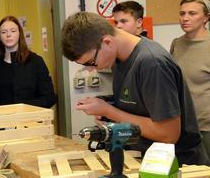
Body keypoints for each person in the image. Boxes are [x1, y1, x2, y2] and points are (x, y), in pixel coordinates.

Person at [61, 11, 208, 166]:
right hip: (150, 160)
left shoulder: (152, 64)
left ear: (108, 42)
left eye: (91, 62)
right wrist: (106, 103)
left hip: (180, 168)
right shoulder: (119, 57)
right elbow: (138, 100)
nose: (90, 70)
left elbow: (168, 134)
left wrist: (108, 111)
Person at [170, 0, 210, 158]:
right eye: (182, 13)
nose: (185, 18)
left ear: (206, 18)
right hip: (182, 126)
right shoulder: (177, 44)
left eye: (192, 13)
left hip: (206, 128)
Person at [0, 16, 57, 108]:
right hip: (1, 120)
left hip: (30, 120)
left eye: (13, 31)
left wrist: (22, 108)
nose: (8, 35)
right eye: (3, 32)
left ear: (20, 34)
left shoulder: (35, 61)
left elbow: (49, 98)